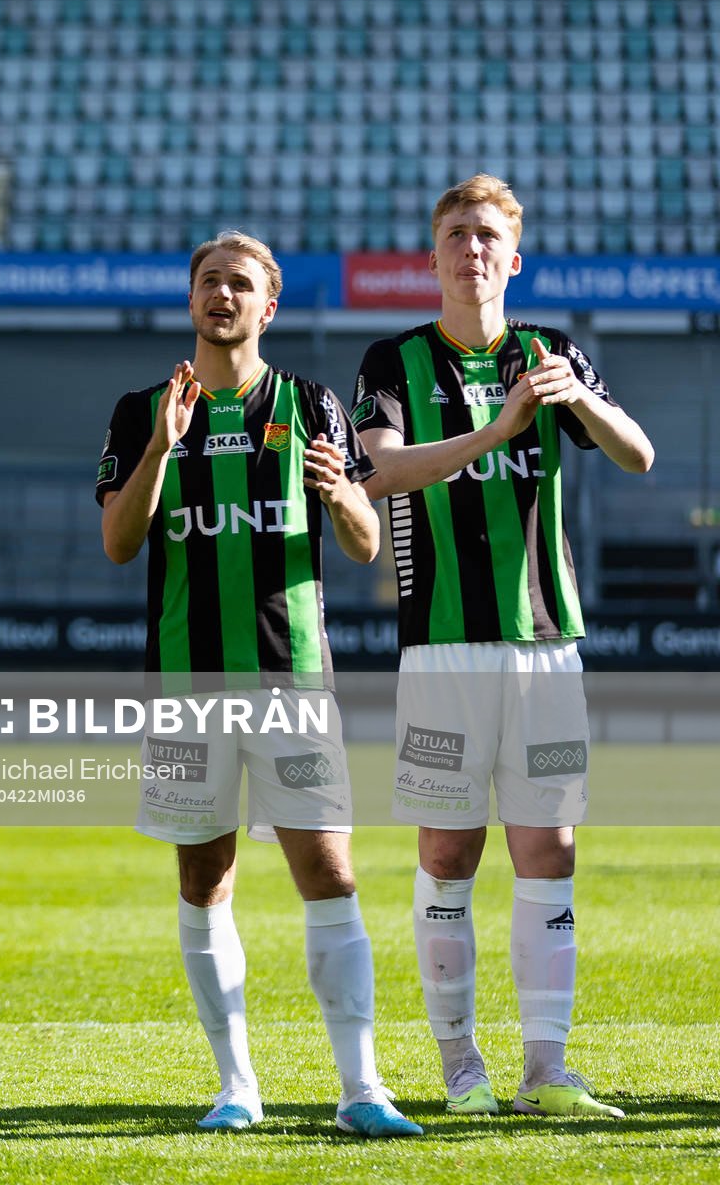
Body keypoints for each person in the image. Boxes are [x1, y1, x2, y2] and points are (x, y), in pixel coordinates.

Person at [97, 231, 421, 1138]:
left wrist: (344, 495)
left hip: (293, 680)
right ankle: (236, 1085)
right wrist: (162, 449)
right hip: (186, 686)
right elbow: (120, 543)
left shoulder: (312, 403)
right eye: (209, 282)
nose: (223, 295)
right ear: (191, 298)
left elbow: (363, 546)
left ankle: (362, 1088)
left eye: (241, 284)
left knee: (329, 870)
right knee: (205, 877)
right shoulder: (139, 410)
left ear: (267, 305)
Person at [351, 175, 653, 1120]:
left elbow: (639, 455)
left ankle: (545, 1070)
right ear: (432, 257)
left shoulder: (552, 352)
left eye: (487, 236)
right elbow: (381, 470)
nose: (471, 249)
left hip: (545, 643)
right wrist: (499, 428)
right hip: (442, 643)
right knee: (448, 851)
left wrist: (580, 403)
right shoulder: (394, 361)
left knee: (550, 850)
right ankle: (459, 1067)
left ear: (512, 258)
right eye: (455, 235)